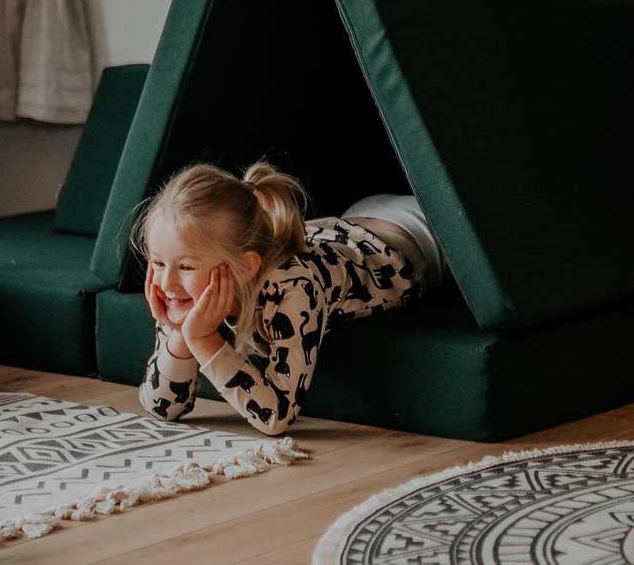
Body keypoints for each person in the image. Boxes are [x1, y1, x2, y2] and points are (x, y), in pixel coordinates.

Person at [134, 161, 445, 436]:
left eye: (186, 266)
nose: (166, 282)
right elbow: (161, 408)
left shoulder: (293, 288)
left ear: (245, 267)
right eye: (158, 263)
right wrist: (178, 334)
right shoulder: (184, 292)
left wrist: (202, 340)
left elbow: (276, 417)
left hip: (421, 229)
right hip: (357, 218)